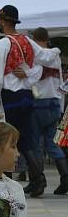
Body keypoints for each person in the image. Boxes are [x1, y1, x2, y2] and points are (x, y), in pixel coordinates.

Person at [0, 5, 62, 199]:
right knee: (26, 140)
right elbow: (48, 57)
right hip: (27, 98)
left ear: (2, 21)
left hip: (10, 98)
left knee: (4, 139)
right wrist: (30, 73)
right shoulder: (27, 41)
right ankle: (38, 180)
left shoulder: (1, 44)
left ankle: (5, 182)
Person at [29, 27, 67, 195]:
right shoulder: (56, 57)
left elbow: (31, 77)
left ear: (35, 40)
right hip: (54, 103)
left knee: (35, 144)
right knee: (52, 143)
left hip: (38, 103)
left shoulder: (38, 56)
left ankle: (37, 181)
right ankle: (66, 178)